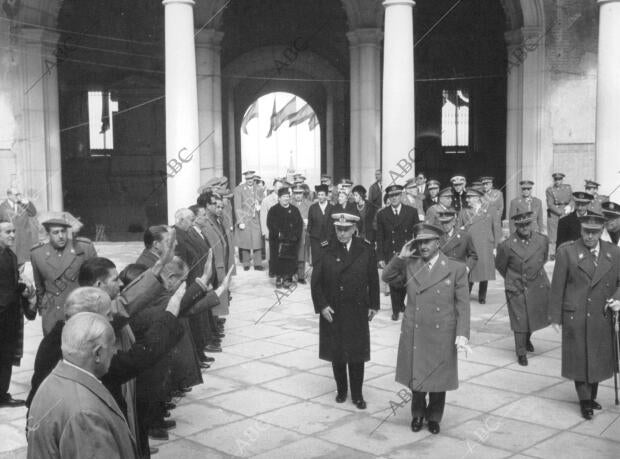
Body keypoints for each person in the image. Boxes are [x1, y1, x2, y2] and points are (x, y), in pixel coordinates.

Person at [383, 222, 470, 435]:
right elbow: (386, 277)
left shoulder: (455, 268)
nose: (423, 246)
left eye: (427, 242)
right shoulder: (410, 265)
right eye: (420, 242)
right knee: (418, 375)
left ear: (438, 243)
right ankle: (418, 414)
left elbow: (463, 304)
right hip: (416, 329)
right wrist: (400, 257)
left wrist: (462, 334)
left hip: (442, 332)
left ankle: (434, 417)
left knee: (439, 378)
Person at [27, 312, 138, 458]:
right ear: (97, 353)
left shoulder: (51, 382)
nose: (114, 351)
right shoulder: (85, 414)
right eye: (112, 346)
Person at [549, 214, 620, 420]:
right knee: (580, 358)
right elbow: (557, 287)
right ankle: (585, 400)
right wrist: (555, 316)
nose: (589, 236)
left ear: (601, 231)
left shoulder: (613, 252)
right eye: (586, 231)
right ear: (580, 230)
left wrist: (617, 299)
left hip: (601, 314)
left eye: (594, 232)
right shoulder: (567, 252)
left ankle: (591, 395)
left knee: (597, 357)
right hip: (576, 315)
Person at [311, 213, 379, 410]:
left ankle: (357, 394)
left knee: (357, 354)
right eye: (338, 229)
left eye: (346, 229)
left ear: (354, 229)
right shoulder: (325, 248)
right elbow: (316, 284)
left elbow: (373, 279)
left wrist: (374, 305)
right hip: (333, 309)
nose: (342, 233)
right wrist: (322, 306)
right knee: (337, 352)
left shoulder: (365, 248)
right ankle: (341, 390)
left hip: (357, 308)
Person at [495, 212, 551, 366]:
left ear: (532, 223)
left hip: (537, 284)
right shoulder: (507, 245)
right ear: (516, 226)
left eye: (527, 224)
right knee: (520, 320)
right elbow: (500, 265)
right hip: (517, 286)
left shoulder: (542, 240)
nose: (524, 228)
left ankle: (526, 339)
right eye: (520, 225)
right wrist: (514, 278)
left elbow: (544, 258)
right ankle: (520, 352)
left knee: (534, 316)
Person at [30, 217, 97, 335]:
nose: (60, 236)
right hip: (52, 312)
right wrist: (43, 309)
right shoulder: (37, 254)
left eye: (63, 231)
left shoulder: (83, 248)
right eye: (55, 232)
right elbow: (39, 286)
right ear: (48, 234)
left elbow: (96, 279)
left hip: (78, 309)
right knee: (53, 349)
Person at [0, 218, 34, 408]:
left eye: (13, 231)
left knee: (6, 357)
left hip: (10, 317)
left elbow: (10, 285)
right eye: (7, 232)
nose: (12, 235)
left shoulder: (11, 256)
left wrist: (22, 287)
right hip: (2, 315)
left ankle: (2, 395)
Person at [376, 185, 420, 320]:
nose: (394, 198)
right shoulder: (382, 214)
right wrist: (380, 257)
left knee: (406, 280)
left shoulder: (411, 211)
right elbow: (380, 237)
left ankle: (401, 304)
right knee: (394, 282)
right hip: (391, 252)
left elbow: (417, 233)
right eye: (391, 196)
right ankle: (396, 310)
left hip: (408, 252)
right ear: (388, 197)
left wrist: (417, 252)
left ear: (401, 196)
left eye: (396, 195)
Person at [458, 188, 502, 304]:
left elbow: (496, 229)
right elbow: (459, 230)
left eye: (470, 197)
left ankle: (482, 296)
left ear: (477, 198)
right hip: (470, 245)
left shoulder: (490, 209)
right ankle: (466, 294)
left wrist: (496, 247)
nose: (467, 200)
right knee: (470, 269)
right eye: (467, 197)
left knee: (484, 271)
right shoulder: (463, 212)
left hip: (486, 245)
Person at [267, 186, 304, 289]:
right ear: (279, 198)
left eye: (287, 196)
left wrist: (295, 236)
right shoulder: (273, 210)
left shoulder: (294, 210)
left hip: (291, 241)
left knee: (289, 261)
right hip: (277, 241)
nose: (286, 198)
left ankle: (287, 278)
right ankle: (279, 277)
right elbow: (270, 224)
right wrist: (278, 233)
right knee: (278, 259)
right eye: (283, 196)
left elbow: (299, 224)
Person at [233, 170, 264, 271]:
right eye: (247, 179)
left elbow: (261, 200)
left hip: (256, 218)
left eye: (251, 178)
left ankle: (258, 263)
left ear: (254, 178)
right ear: (245, 179)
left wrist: (259, 205)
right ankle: (246, 263)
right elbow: (237, 206)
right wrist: (240, 221)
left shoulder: (258, 188)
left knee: (257, 240)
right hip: (245, 218)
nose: (250, 180)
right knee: (245, 241)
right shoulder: (239, 189)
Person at [0, 187, 39, 265]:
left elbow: (33, 213)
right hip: (11, 241)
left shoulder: (23, 204)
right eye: (16, 195)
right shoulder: (2, 207)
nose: (18, 197)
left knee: (22, 264)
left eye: (19, 194)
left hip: (23, 241)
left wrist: (27, 202)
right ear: (9, 195)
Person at [546, 172, 574, 260]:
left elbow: (572, 199)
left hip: (567, 211)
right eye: (556, 179)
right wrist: (560, 212)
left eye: (559, 179)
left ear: (562, 180)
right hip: (555, 213)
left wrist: (570, 206)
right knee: (553, 235)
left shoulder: (568, 188)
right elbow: (550, 204)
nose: (558, 181)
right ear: (554, 180)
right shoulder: (550, 190)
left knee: (567, 233)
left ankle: (567, 252)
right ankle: (552, 253)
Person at [260, 178, 283, 277]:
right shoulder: (266, 200)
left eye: (281, 187)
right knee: (270, 251)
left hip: (282, 231)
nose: (279, 188)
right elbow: (263, 217)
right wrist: (265, 232)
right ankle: (272, 270)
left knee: (281, 251)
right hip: (271, 231)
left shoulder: (285, 199)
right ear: (274, 187)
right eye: (277, 186)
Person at [307, 184, 333, 265]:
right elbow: (309, 225)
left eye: (322, 195)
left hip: (328, 240)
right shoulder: (312, 208)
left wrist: (328, 240)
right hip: (315, 240)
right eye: (319, 194)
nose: (320, 197)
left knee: (327, 262)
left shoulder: (332, 208)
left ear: (326, 196)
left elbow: (333, 226)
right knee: (317, 262)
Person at [292, 185, 311, 284]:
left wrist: (308, 222)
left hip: (303, 233)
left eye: (300, 193)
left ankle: (301, 276)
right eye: (296, 193)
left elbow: (312, 218)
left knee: (301, 255)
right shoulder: (289, 203)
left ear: (303, 193)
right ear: (293, 194)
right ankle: (290, 276)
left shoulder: (309, 204)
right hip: (291, 233)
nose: (298, 195)